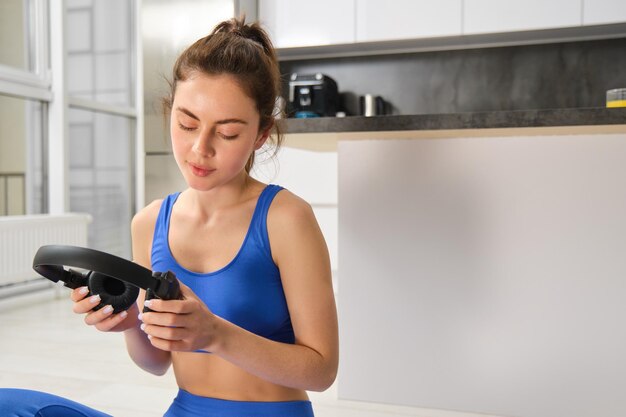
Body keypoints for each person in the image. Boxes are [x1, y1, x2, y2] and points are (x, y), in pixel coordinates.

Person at [0, 16, 338, 417]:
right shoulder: (149, 222)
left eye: (227, 133)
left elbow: (320, 370)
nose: (199, 148)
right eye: (186, 123)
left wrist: (216, 335)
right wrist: (128, 322)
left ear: (260, 135)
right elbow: (156, 362)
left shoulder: (285, 218)